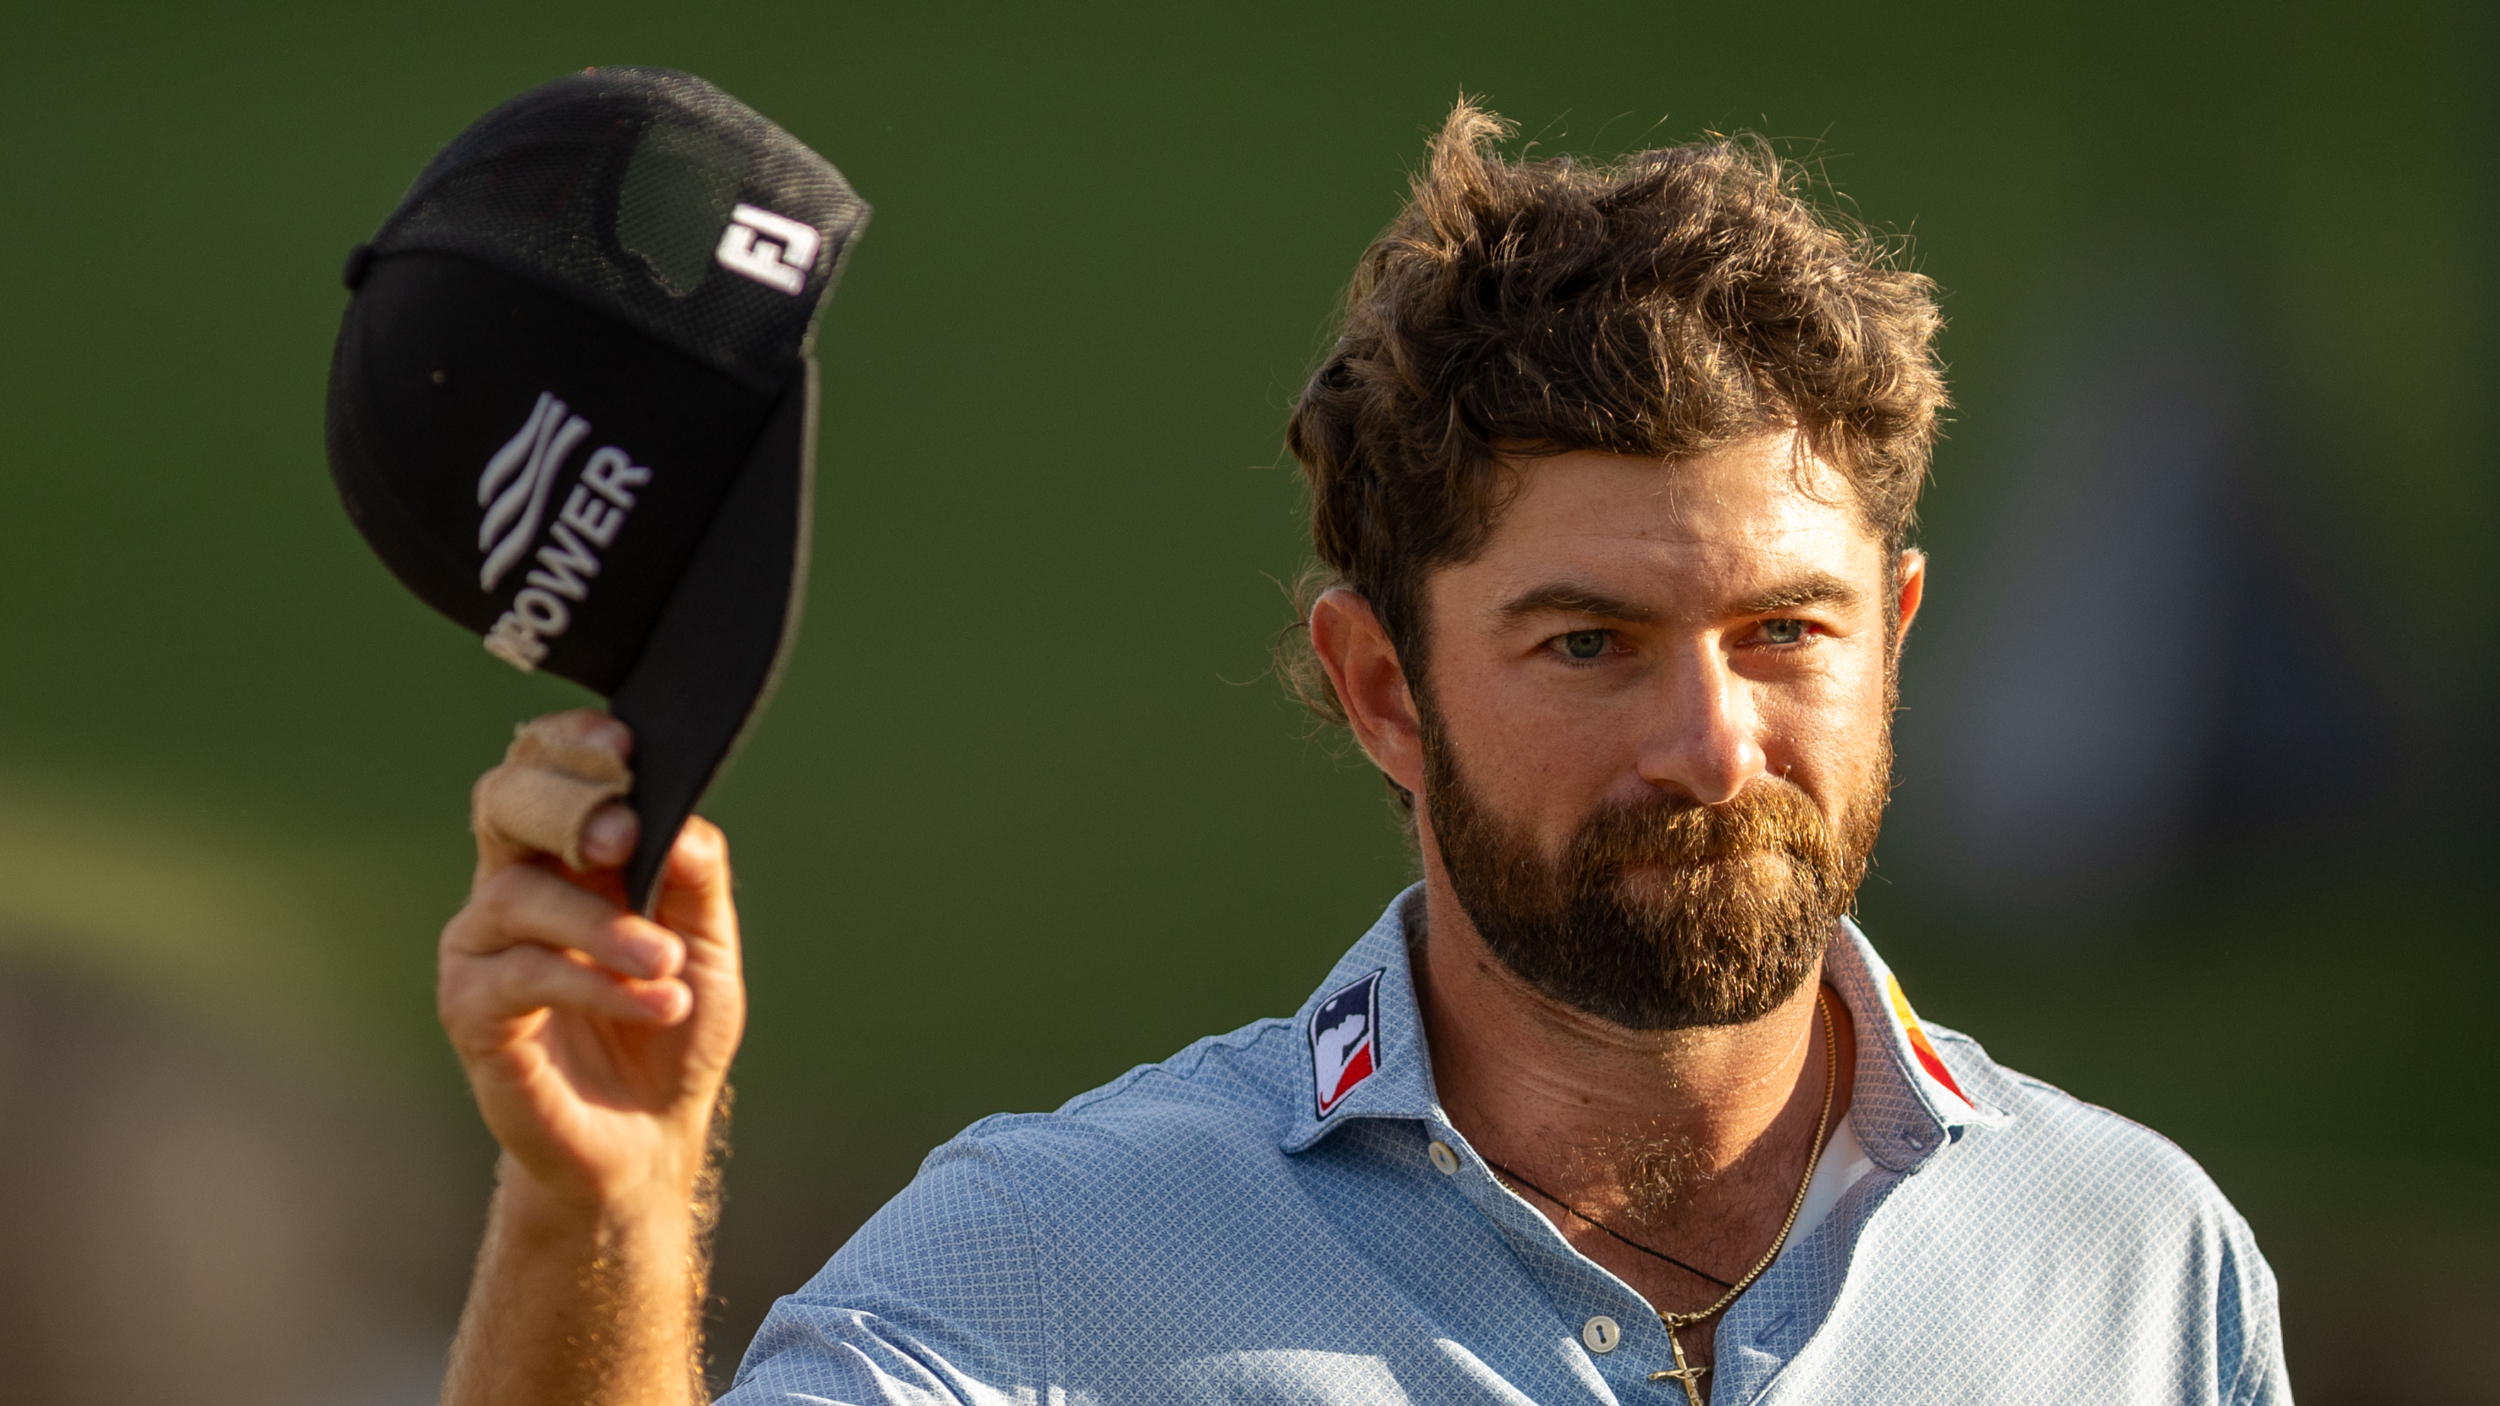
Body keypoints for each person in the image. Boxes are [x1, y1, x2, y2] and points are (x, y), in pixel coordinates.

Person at [434, 103, 2289, 1405]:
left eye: (1784, 632)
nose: (1711, 744)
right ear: (1383, 688)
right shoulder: (1055, 1264)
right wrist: (602, 1206)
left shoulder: (2139, 1262)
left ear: (1895, 634)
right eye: (1590, 643)